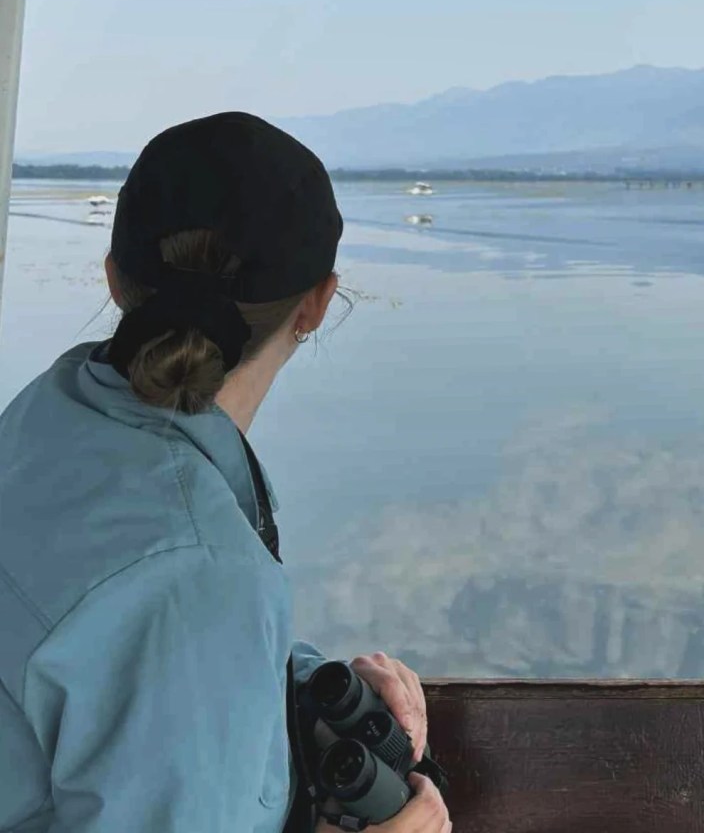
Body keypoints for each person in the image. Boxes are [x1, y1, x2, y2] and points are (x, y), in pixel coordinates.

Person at [0, 112, 451, 833]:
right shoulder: (193, 567)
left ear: (115, 280)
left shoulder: (44, 423)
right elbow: (162, 608)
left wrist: (293, 685)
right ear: (317, 303)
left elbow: (106, 647)